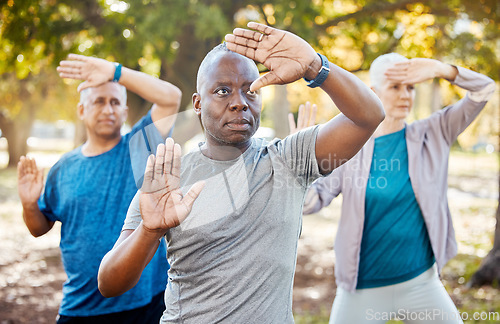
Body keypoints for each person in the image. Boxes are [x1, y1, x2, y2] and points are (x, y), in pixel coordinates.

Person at [97, 22, 385, 323]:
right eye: (222, 91)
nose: (239, 103)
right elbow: (109, 283)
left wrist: (315, 66)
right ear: (197, 104)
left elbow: (369, 116)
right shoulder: (168, 180)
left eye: (251, 91)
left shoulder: (289, 159)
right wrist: (150, 230)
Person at [303, 54, 495, 323]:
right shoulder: (350, 146)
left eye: (410, 87)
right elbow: (310, 202)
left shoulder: (435, 131)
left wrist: (442, 69)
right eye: (395, 87)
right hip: (361, 290)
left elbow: (485, 89)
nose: (405, 95)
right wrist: (301, 166)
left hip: (421, 283)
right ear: (373, 93)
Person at [17, 54, 181, 323]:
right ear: (81, 110)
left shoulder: (140, 146)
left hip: (145, 305)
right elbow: (38, 228)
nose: (108, 109)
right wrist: (28, 204)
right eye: (99, 101)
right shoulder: (64, 167)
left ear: (125, 112)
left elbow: (170, 97)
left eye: (115, 102)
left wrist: (115, 72)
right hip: (81, 307)